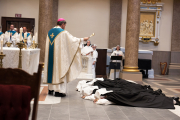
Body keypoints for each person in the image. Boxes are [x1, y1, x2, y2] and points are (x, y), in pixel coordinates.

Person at [43, 18, 89, 97]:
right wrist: (82, 39)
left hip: (51, 57)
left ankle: (51, 89)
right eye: (65, 25)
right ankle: (59, 91)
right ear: (62, 24)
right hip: (58, 58)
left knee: (52, 71)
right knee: (59, 70)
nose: (65, 27)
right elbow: (72, 41)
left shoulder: (49, 32)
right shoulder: (63, 32)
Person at [77, 78, 180, 109]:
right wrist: (89, 98)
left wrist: (89, 98)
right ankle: (172, 100)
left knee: (147, 95)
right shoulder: (113, 96)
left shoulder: (113, 95)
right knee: (147, 97)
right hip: (135, 95)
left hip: (134, 93)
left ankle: (172, 100)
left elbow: (102, 100)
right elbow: (103, 101)